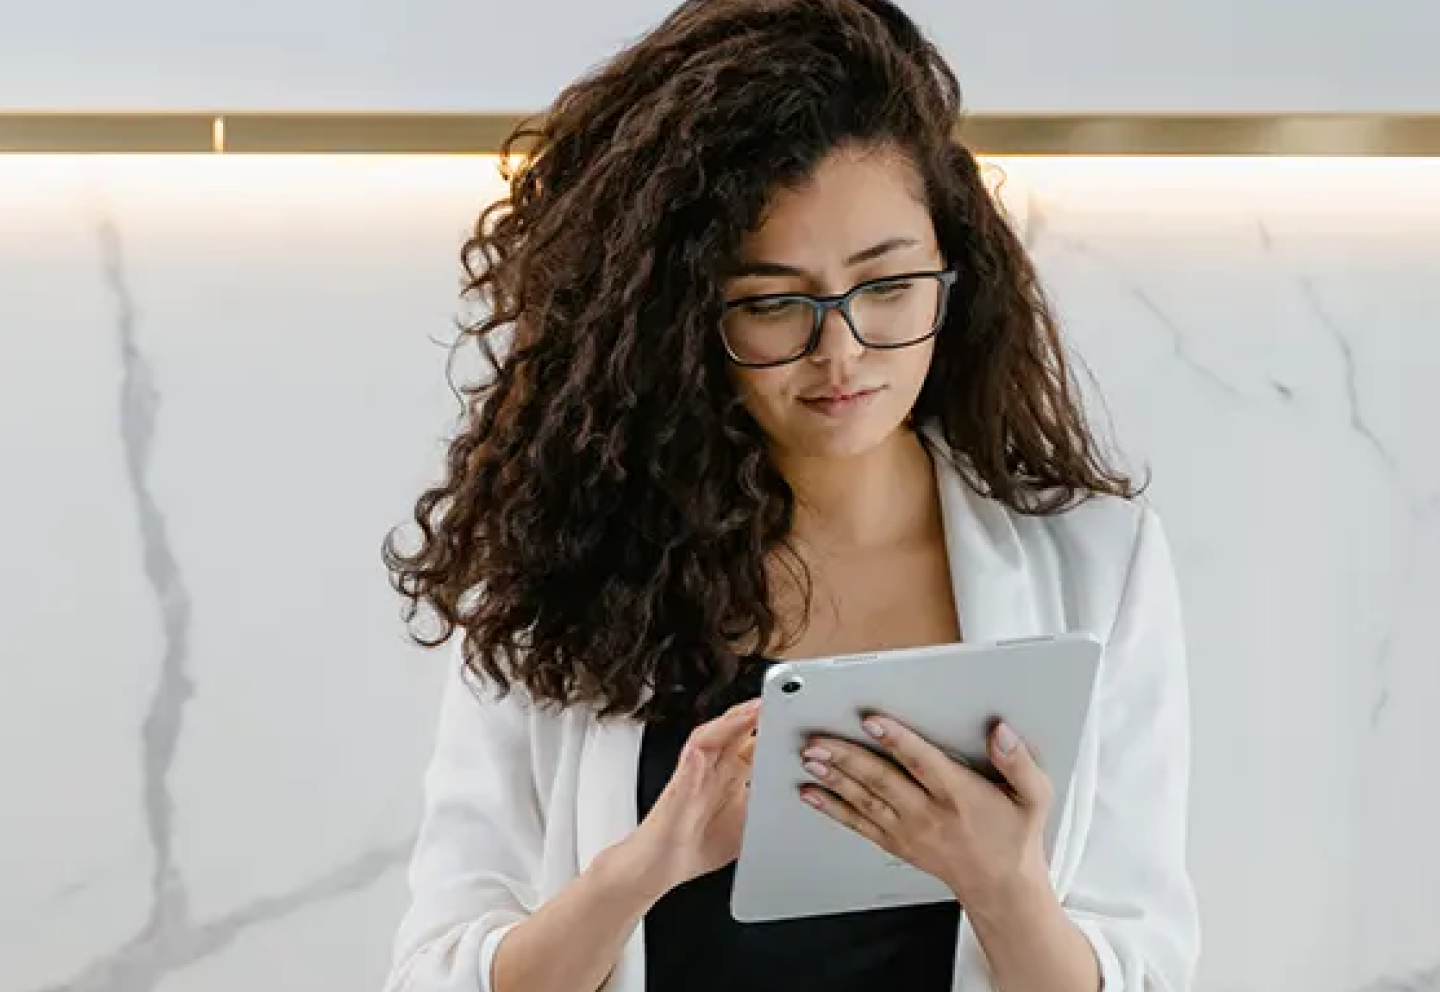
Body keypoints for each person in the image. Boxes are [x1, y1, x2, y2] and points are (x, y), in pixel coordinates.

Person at [381, 1, 1200, 990]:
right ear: (682, 313)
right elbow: (434, 970)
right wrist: (648, 862)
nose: (841, 352)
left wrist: (1004, 886)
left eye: (889, 286)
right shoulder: (561, 567)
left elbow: (1150, 965)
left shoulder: (1098, 565)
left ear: (957, 274)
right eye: (773, 302)